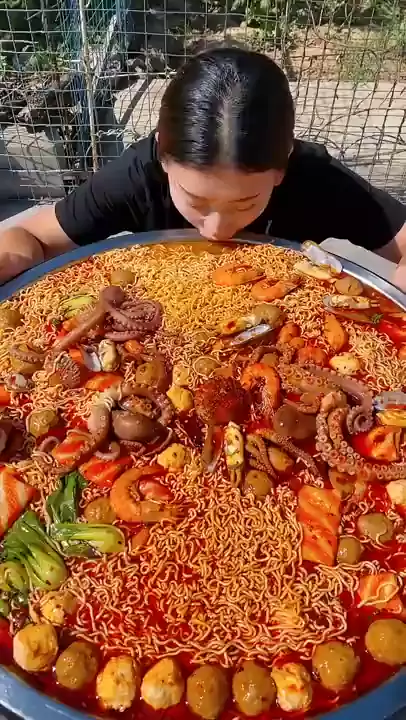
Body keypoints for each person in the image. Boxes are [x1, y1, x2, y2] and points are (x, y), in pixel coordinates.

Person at [0, 46, 405, 287]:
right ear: (163, 155)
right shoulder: (138, 177)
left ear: (282, 166)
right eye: (195, 200)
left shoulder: (315, 180)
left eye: (246, 203)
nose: (217, 230)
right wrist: (13, 257)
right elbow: (32, 236)